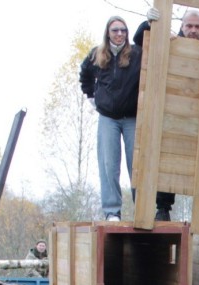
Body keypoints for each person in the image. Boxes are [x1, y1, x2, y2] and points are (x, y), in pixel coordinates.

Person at [134, 8, 199, 220]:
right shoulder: (171, 41)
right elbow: (140, 40)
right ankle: (162, 208)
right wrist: (148, 24)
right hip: (172, 109)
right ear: (182, 26)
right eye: (189, 26)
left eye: (198, 27)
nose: (193, 30)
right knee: (165, 155)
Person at [80, 16, 142, 221]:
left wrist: (150, 21)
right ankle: (112, 212)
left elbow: (145, 34)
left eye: (123, 30)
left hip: (132, 116)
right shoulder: (97, 54)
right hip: (108, 118)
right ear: (108, 32)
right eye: (115, 30)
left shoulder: (136, 54)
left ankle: (141, 209)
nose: (119, 34)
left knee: (137, 164)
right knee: (109, 164)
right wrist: (91, 97)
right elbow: (84, 75)